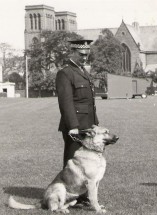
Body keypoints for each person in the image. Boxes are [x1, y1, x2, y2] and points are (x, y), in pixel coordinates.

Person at [56, 39, 99, 205]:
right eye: (81, 54)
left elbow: (90, 102)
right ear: (72, 52)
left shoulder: (82, 71)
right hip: (75, 127)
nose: (85, 58)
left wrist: (95, 123)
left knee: (87, 163)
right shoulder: (65, 73)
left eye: (87, 55)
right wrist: (73, 126)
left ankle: (82, 197)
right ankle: (68, 196)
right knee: (73, 164)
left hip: (88, 125)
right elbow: (66, 103)